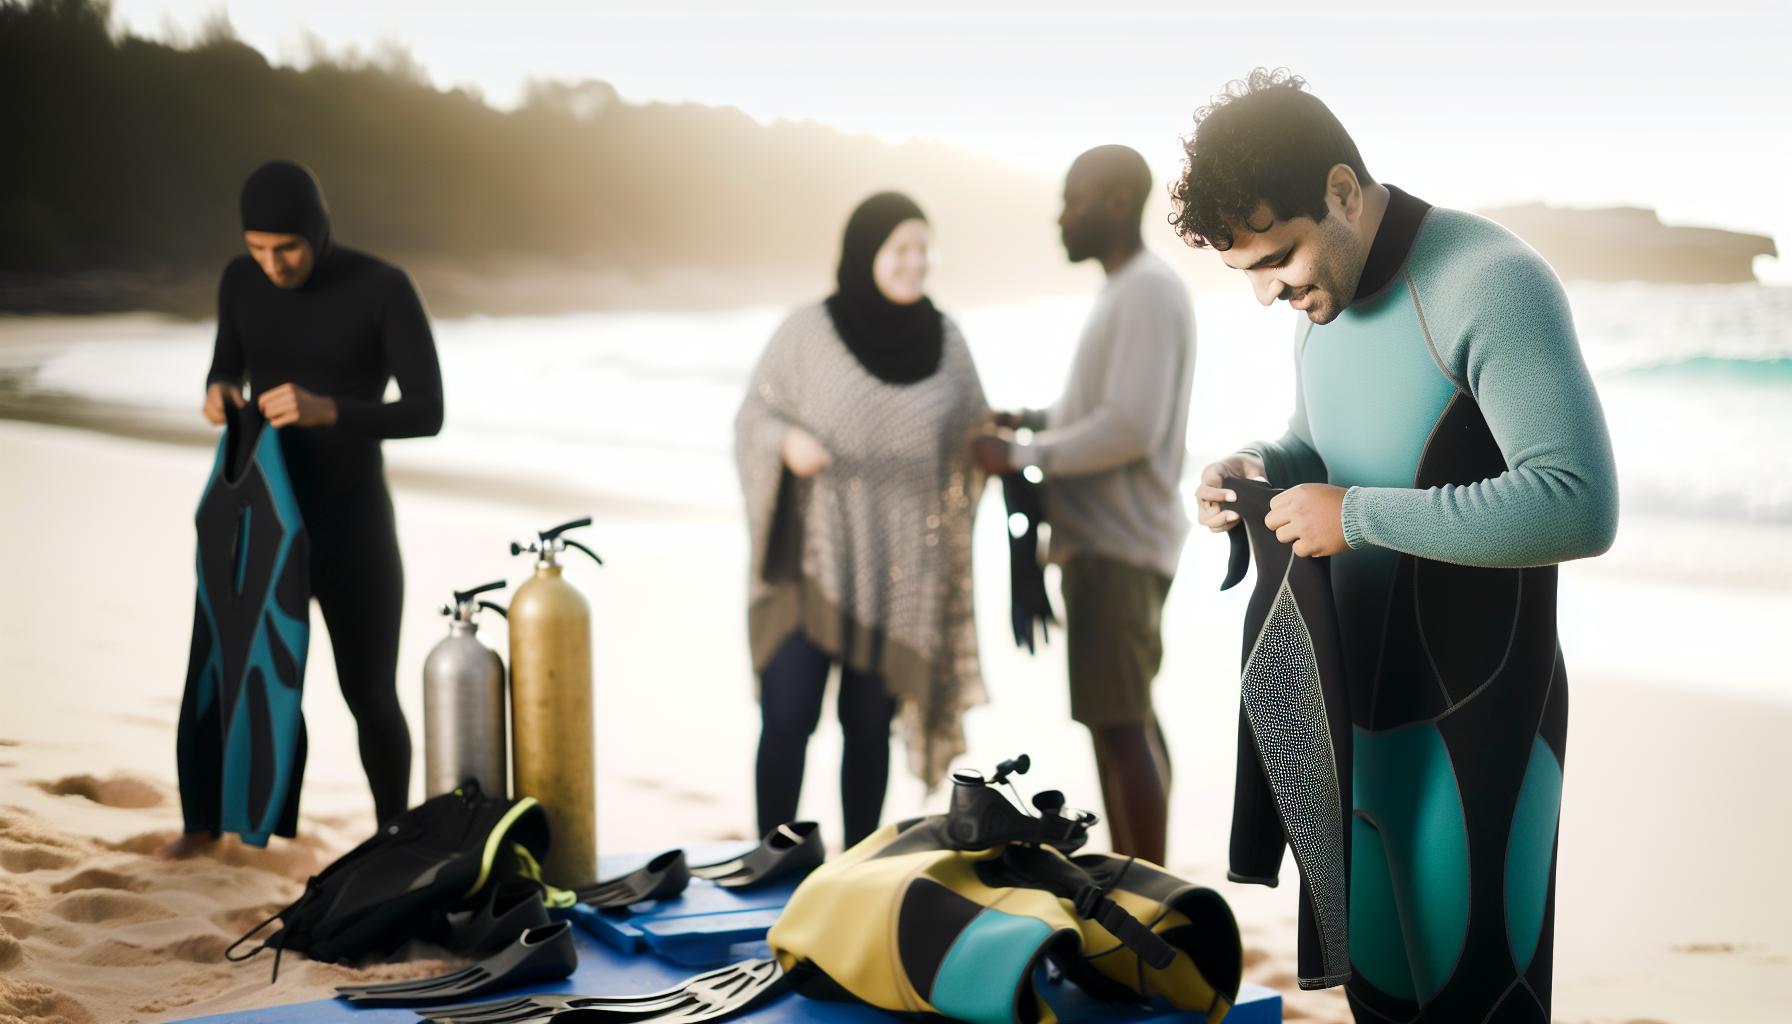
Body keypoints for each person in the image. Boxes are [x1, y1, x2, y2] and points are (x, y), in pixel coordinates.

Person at [1171, 69, 1617, 1021]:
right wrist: (1257, 464)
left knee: (1476, 1003)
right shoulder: (1318, 306)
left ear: (1340, 190)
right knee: (1375, 1004)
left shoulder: (1491, 283)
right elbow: (1328, 448)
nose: (1266, 293)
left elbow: (1577, 503)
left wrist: (1357, 517)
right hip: (1353, 731)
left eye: (1276, 258)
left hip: (1477, 725)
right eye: (1244, 270)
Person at [162, 160, 443, 858]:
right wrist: (218, 389)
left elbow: (427, 411)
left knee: (369, 691)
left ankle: (391, 837)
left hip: (351, 520)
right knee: (218, 664)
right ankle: (201, 827)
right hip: (260, 513)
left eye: (286, 248)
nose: (272, 264)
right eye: (257, 249)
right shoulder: (240, 281)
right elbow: (227, 361)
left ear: (317, 231)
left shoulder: (382, 288)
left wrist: (330, 410)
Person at [734, 192, 989, 849]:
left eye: (923, 249)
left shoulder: (947, 340)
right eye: (900, 249)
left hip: (898, 572)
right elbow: (753, 417)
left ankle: (854, 870)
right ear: (865, 253)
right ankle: (774, 860)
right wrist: (787, 442)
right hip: (813, 560)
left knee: (868, 728)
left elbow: (973, 437)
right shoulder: (808, 330)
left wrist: (1018, 449)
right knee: (788, 716)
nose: (915, 263)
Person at [971, 145, 1195, 865]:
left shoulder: (1148, 291)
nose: (1060, 217)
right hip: (1111, 548)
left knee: (1119, 727)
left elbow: (1131, 425)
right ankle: (1147, 887)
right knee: (1126, 725)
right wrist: (1032, 420)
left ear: (1116, 199)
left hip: (1118, 550)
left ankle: (1148, 903)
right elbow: (1093, 411)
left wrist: (1023, 456)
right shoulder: (1126, 290)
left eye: (1072, 200)